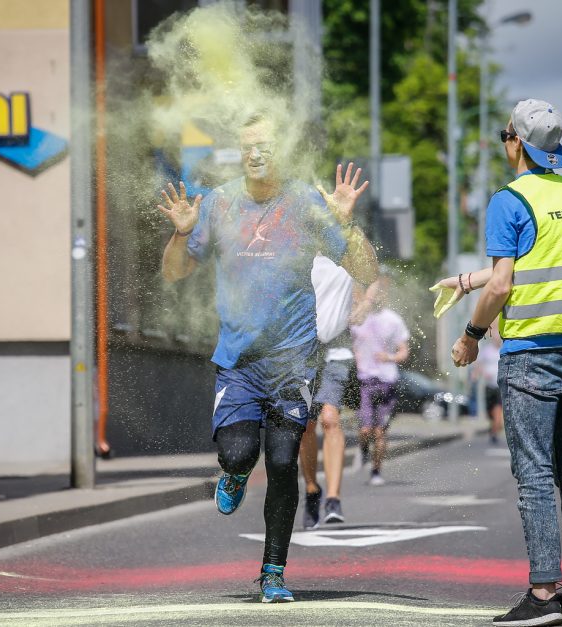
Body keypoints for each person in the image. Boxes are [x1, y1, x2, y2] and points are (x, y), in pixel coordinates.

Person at [158, 114, 378, 602]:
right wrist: (180, 234)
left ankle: (273, 572)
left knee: (283, 462)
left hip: (293, 362)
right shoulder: (218, 203)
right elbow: (174, 274)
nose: (256, 154)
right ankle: (233, 472)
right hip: (239, 361)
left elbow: (363, 268)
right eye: (248, 146)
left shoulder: (305, 202)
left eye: (266, 145)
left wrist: (346, 223)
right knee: (239, 453)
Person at [438, 100, 562, 624]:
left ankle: (541, 594)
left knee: (533, 475)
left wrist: (471, 335)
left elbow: (507, 282)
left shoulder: (508, 200)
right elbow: (538, 266)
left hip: (533, 353)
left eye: (504, 133)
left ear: (515, 142)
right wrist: (465, 281)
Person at [299, 256, 371, 529]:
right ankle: (311, 489)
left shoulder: (342, 249)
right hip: (302, 350)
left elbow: (366, 285)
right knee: (305, 425)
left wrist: (363, 305)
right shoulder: (299, 248)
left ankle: (333, 498)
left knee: (330, 418)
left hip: (337, 350)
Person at [350, 275, 409, 487]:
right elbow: (349, 343)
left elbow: (404, 351)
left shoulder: (393, 320)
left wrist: (389, 357)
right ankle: (364, 449)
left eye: (380, 293)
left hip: (387, 381)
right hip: (365, 381)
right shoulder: (357, 317)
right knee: (365, 430)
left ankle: (376, 471)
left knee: (379, 431)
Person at [472, 325, 503, 445]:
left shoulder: (504, 349)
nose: (497, 338)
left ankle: (495, 430)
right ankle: (493, 427)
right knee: (490, 411)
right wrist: (477, 373)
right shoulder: (487, 350)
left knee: (498, 410)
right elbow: (479, 364)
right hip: (489, 385)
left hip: (499, 386)